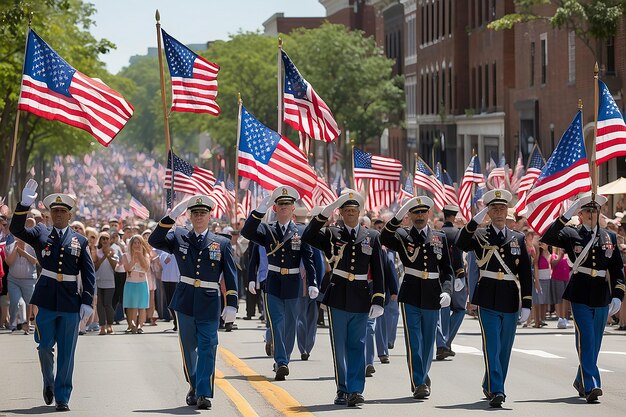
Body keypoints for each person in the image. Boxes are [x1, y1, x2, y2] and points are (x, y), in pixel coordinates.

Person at [10, 180, 96, 411]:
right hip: (46, 298)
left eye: (62, 211)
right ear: (49, 214)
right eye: (55, 211)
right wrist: (24, 204)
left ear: (69, 215)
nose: (58, 214)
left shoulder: (80, 240)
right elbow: (16, 230)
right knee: (44, 346)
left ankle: (62, 396)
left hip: (70, 300)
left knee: (67, 352)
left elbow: (88, 273)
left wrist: (87, 301)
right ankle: (48, 381)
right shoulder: (41, 232)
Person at [149, 195, 238, 410]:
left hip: (209, 300)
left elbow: (230, 274)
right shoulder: (180, 236)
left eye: (203, 213)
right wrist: (170, 217)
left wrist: (232, 304)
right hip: (186, 299)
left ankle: (203, 393)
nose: (199, 216)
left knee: (208, 346)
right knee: (189, 347)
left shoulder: (222, 243)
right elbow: (155, 240)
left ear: (209, 216)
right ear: (189, 215)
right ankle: (195, 384)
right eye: (195, 213)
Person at [302, 189, 385, 407]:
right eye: (346, 210)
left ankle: (356, 389)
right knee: (339, 346)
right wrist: (324, 214)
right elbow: (308, 236)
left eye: (353, 210)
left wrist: (378, 299)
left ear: (359, 212)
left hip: (360, 295)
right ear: (340, 213)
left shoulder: (372, 237)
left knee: (357, 344)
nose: (350, 214)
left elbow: (378, 270)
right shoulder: (331, 233)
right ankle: (342, 388)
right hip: (337, 294)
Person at [541, 192, 624, 403]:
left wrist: (618, 295)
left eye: (594, 210)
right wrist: (566, 213)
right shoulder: (571, 233)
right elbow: (548, 237)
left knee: (594, 343)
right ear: (580, 213)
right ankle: (592, 385)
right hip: (579, 293)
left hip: (601, 295)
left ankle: (580, 379)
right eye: (587, 210)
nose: (591, 214)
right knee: (586, 339)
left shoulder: (609, 237)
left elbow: (616, 269)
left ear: (600, 213)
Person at [455, 189, 532, 408]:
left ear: (508, 211)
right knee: (492, 345)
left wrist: (526, 302)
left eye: (502, 208)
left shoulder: (517, 238)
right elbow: (461, 243)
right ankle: (498, 389)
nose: (498, 212)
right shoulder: (480, 235)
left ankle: (491, 382)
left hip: (509, 298)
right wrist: (476, 219)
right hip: (487, 296)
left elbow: (526, 272)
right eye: (494, 208)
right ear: (488, 211)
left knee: (505, 348)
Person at [380, 196, 453, 399]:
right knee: (415, 342)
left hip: (432, 294)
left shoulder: (439, 237)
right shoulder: (403, 234)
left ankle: (423, 373)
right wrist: (398, 215)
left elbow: (447, 269)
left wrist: (447, 290)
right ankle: (419, 382)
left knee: (429, 342)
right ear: (409, 215)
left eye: (423, 212)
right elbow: (384, 238)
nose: (419, 216)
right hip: (411, 292)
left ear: (429, 214)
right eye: (415, 212)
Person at [241, 185, 317, 381]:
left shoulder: (301, 231)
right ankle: (281, 361)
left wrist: (312, 282)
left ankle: (285, 358)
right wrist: (259, 210)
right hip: (273, 282)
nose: (284, 207)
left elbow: (308, 259)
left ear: (293, 208)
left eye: (287, 204)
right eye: (280, 204)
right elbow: (247, 232)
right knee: (277, 323)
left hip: (293, 282)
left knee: (290, 324)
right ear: (274, 208)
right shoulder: (267, 230)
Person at [436, 205, 467, 360]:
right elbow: (457, 255)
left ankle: (442, 343)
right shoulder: (457, 233)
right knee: (460, 309)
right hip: (455, 274)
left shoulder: (437, 233)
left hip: (439, 275)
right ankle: (446, 342)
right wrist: (460, 274)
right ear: (454, 217)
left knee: (442, 310)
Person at [121, 235, 150, 334]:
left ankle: (140, 326)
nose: (137, 245)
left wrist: (140, 256)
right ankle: (131, 325)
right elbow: (127, 268)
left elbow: (146, 268)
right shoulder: (126, 255)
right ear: (131, 244)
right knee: (131, 305)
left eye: (139, 243)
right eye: (135, 243)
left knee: (141, 306)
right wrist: (133, 259)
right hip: (130, 283)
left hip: (142, 283)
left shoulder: (146, 255)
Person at [94, 231, 119, 335]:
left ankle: (110, 325)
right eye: (102, 238)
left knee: (108, 304)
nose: (104, 240)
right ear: (100, 240)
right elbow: (95, 267)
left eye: (106, 238)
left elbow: (114, 267)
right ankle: (102, 326)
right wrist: (104, 256)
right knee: (100, 305)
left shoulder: (114, 251)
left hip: (110, 282)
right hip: (99, 281)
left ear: (109, 240)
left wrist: (108, 256)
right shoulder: (96, 252)